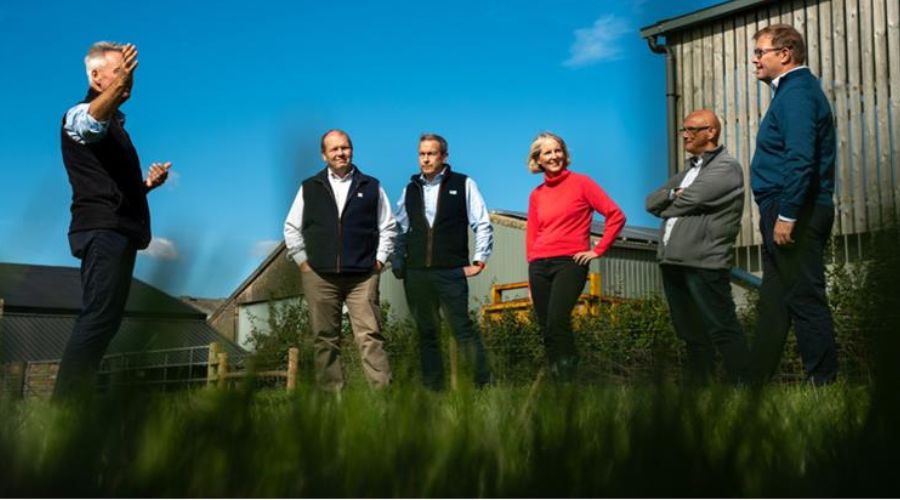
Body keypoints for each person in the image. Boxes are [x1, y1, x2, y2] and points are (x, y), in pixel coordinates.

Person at [55, 42, 171, 400]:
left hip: (119, 229)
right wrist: (117, 90)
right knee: (98, 317)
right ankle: (64, 407)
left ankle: (76, 401)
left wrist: (146, 186)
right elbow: (90, 124)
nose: (128, 79)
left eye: (130, 72)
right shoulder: (78, 115)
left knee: (106, 321)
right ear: (96, 77)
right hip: (101, 230)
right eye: (120, 71)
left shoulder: (118, 127)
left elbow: (114, 186)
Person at [750, 24, 838, 385]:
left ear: (785, 54)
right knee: (774, 301)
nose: (755, 59)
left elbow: (801, 157)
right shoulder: (790, 93)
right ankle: (753, 383)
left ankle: (822, 381)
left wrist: (787, 215)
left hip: (794, 208)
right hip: (784, 206)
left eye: (760, 52)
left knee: (804, 295)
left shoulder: (797, 93)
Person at [283, 129, 397, 391]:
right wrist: (303, 262)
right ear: (324, 155)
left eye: (344, 147)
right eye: (334, 149)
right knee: (325, 339)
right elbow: (291, 228)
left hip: (363, 277)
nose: (340, 153)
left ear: (352, 150)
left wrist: (379, 261)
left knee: (370, 336)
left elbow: (388, 226)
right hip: (320, 276)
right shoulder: (309, 187)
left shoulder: (371, 186)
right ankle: (332, 398)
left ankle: (384, 397)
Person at [646, 109, 750, 384]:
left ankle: (744, 385)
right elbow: (650, 202)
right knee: (690, 332)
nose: (685, 136)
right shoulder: (687, 173)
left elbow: (688, 201)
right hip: (673, 261)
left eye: (691, 130)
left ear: (711, 132)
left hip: (704, 261)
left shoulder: (726, 168)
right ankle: (700, 388)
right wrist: (672, 194)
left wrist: (670, 203)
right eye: (683, 130)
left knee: (721, 326)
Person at [391, 133, 493, 390]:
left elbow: (482, 223)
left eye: (431, 154)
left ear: (444, 156)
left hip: (451, 270)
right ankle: (433, 388)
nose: (426, 159)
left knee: (461, 328)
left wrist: (479, 259)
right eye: (422, 154)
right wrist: (397, 257)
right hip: (417, 272)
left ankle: (481, 384)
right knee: (427, 332)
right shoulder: (409, 190)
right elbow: (399, 227)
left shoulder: (463, 183)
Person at [526, 132, 626, 381]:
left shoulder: (582, 183)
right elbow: (532, 235)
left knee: (558, 321)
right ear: (538, 159)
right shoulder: (536, 194)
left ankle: (569, 379)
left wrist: (597, 250)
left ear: (565, 154)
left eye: (558, 150)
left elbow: (616, 215)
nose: (554, 156)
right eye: (547, 152)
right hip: (538, 265)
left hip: (570, 263)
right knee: (546, 326)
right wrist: (530, 277)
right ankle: (557, 382)